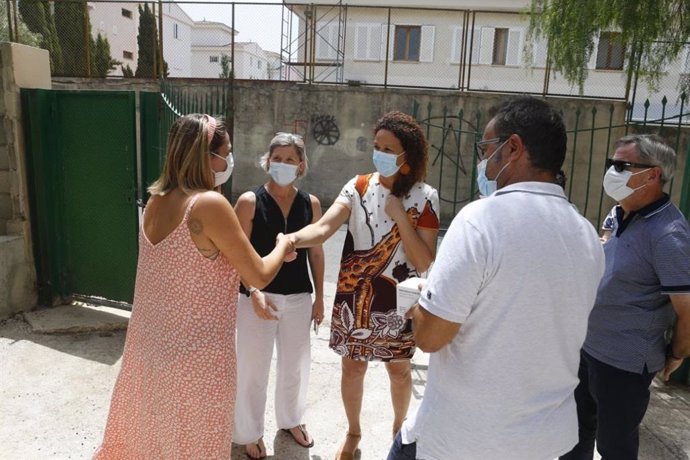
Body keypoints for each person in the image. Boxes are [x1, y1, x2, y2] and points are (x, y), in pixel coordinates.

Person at [388, 96, 605, 460]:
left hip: (464, 440)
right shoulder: (586, 234)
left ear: (514, 148)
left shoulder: (480, 219)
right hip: (547, 441)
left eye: (486, 149)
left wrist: (422, 304)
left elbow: (429, 337)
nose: (482, 164)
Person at [93, 114, 294, 459]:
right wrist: (282, 246)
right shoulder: (208, 205)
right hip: (197, 360)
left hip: (151, 349)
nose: (229, 160)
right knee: (193, 445)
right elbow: (259, 272)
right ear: (205, 156)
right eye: (225, 152)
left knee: (155, 441)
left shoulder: (156, 201)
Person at [287, 111, 440, 460]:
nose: (380, 153)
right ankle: (354, 431)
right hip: (354, 294)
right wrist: (293, 239)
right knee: (352, 366)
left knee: (398, 369)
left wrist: (400, 214)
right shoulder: (356, 187)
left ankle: (398, 429)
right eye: (377, 146)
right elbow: (324, 228)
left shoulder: (425, 197)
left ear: (408, 155)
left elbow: (424, 262)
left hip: (400, 300)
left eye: (389, 148)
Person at [560, 134, 690, 460]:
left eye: (622, 165)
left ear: (653, 174)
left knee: (614, 446)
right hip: (588, 347)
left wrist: (676, 353)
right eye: (612, 164)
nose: (613, 171)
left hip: (625, 362)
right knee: (573, 437)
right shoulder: (619, 212)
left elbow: (687, 310)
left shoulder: (669, 235)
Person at [232, 133, 325, 459]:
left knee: (296, 365)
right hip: (257, 298)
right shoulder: (249, 201)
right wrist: (253, 291)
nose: (282, 165)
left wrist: (320, 298)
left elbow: (316, 252)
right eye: (277, 158)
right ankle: (247, 432)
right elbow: (236, 254)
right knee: (252, 368)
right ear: (267, 161)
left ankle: (291, 421)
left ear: (301, 165)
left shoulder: (310, 204)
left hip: (299, 297)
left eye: (290, 159)